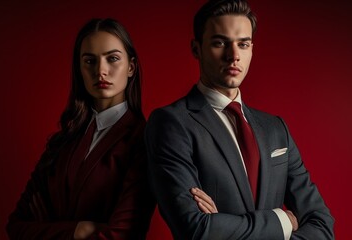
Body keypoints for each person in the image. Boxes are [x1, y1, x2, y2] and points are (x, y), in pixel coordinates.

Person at [144, 0, 335, 239]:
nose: (233, 55)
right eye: (219, 43)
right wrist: (283, 221)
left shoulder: (276, 129)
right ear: (196, 49)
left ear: (251, 49)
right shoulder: (171, 124)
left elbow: (322, 225)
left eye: (243, 44)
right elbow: (196, 228)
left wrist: (221, 225)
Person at [7, 18, 155, 239]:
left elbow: (123, 234)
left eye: (112, 58)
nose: (101, 71)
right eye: (89, 61)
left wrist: (50, 229)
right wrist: (78, 230)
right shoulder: (62, 141)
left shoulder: (144, 140)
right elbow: (17, 226)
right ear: (79, 68)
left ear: (131, 67)